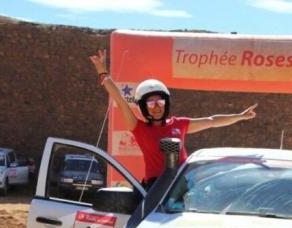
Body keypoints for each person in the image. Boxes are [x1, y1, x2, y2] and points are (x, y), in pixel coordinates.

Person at [89, 50, 257, 186]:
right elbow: (119, 99)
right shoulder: (138, 128)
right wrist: (102, 72)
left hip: (180, 186)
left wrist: (240, 116)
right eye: (151, 103)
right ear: (143, 106)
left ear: (166, 103)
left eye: (160, 101)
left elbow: (212, 121)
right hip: (155, 187)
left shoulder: (180, 124)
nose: (156, 106)